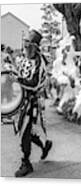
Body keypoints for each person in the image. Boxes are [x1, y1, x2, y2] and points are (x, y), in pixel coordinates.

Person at [14, 30, 52, 177]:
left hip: (32, 101)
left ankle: (26, 163)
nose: (26, 49)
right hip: (21, 100)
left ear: (35, 47)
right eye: (25, 45)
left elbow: (35, 83)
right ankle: (44, 144)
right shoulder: (22, 58)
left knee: (24, 131)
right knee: (26, 131)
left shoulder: (39, 63)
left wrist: (19, 81)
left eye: (29, 46)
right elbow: (19, 73)